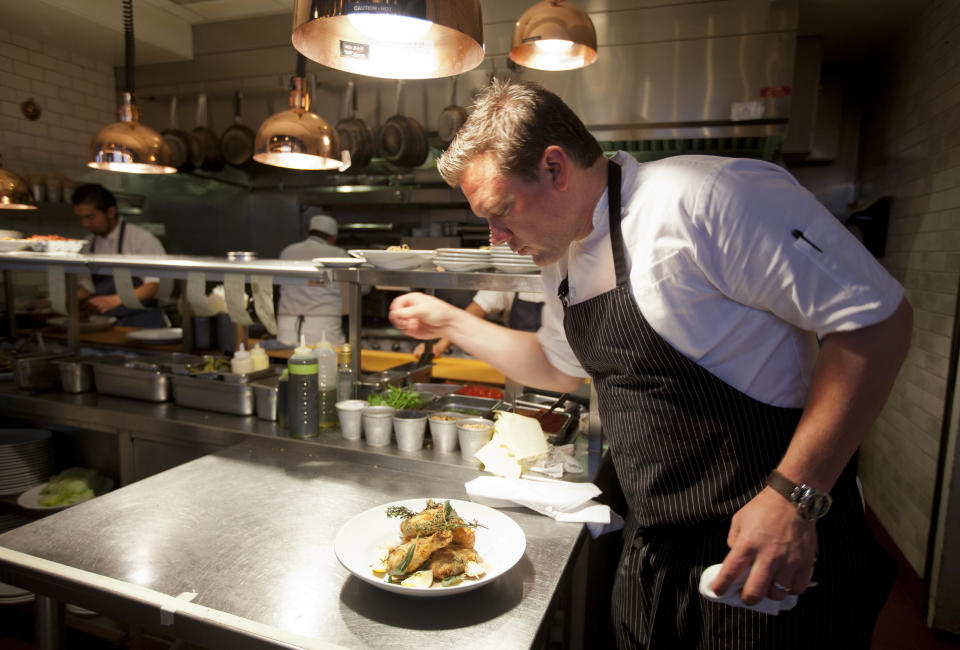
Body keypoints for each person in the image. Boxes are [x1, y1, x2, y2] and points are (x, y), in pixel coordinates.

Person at [389, 79, 912, 648]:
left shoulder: (706, 198)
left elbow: (875, 323)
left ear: (555, 168)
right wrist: (450, 322)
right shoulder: (561, 258)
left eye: (502, 211)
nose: (497, 237)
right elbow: (561, 368)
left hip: (766, 544)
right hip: (656, 548)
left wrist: (794, 497)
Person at [73, 184, 167, 328]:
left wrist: (114, 300)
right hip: (104, 323)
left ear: (111, 212)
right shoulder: (89, 244)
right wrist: (56, 301)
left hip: (142, 322)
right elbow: (87, 287)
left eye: (90, 217)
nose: (85, 224)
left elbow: (153, 286)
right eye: (81, 218)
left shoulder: (140, 238)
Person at [277, 210, 349, 345]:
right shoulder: (338, 254)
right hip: (323, 327)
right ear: (333, 237)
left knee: (290, 363)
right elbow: (360, 287)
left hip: (287, 326)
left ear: (309, 233)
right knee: (326, 362)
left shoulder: (287, 251)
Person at [411, 289, 544, 359]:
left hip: (560, 368)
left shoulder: (561, 272)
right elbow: (478, 308)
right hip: (521, 365)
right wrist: (439, 346)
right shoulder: (516, 269)